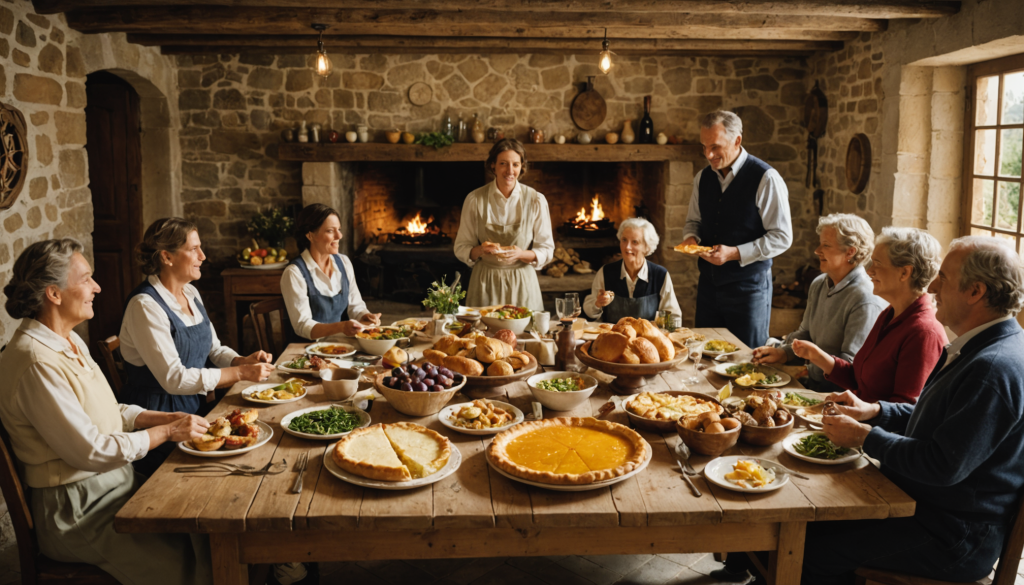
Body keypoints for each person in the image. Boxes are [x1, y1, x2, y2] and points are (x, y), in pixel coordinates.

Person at [802, 236, 1024, 584]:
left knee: (805, 552)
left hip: (953, 536)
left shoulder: (992, 367)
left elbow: (942, 464)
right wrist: (874, 412)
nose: (932, 285)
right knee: (800, 526)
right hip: (925, 509)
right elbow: (933, 421)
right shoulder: (978, 346)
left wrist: (867, 437)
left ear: (975, 292)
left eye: (944, 278)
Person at [0, 239, 212, 585]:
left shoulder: (68, 340)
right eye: (85, 279)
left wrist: (159, 418)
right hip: (78, 512)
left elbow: (104, 410)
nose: (97, 287)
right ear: (54, 294)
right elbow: (90, 450)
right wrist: (166, 433)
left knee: (205, 529)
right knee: (189, 564)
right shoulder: (35, 361)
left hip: (115, 486)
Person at [120, 219, 273, 472]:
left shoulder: (190, 292)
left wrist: (241, 360)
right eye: (194, 249)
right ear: (167, 257)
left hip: (197, 411)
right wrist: (241, 374)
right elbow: (174, 379)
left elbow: (213, 349)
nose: (203, 256)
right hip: (158, 421)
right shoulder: (145, 306)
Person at [791, 227, 948, 403]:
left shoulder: (924, 333)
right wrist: (817, 356)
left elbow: (905, 413)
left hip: (870, 429)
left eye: (877, 264)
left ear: (905, 273)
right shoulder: (889, 314)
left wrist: (859, 413)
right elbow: (858, 379)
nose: (869, 271)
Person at [679, 110, 792, 349]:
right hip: (708, 288)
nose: (708, 155)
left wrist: (733, 253)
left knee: (747, 359)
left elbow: (782, 237)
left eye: (715, 147)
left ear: (737, 140)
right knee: (704, 356)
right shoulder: (702, 178)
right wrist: (690, 239)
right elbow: (693, 222)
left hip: (749, 291)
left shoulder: (766, 178)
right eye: (704, 147)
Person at [752, 213, 886, 393]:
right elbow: (806, 333)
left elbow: (850, 367)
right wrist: (783, 353)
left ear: (850, 252)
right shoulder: (820, 283)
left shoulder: (865, 299)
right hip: (812, 385)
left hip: (838, 397)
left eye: (826, 245)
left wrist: (806, 370)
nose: (817, 250)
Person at [454, 138, 554, 311]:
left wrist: (521, 253)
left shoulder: (536, 200)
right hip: (484, 283)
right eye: (503, 163)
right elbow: (461, 247)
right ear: (493, 165)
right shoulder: (475, 199)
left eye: (515, 164)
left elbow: (546, 249)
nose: (510, 170)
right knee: (482, 336)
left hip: (522, 284)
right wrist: (481, 250)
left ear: (521, 166)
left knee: (525, 335)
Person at [281, 203, 381, 341]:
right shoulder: (294, 273)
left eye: (339, 229)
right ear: (310, 235)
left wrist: (364, 316)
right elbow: (302, 326)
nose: (339, 235)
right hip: (304, 352)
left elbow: (355, 305)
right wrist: (341, 327)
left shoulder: (344, 263)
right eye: (330, 231)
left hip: (340, 346)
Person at [583, 217, 682, 322]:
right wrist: (597, 304)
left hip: (647, 338)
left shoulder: (660, 275)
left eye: (635, 242)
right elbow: (590, 313)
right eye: (624, 240)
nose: (627, 247)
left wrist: (657, 329)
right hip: (614, 337)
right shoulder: (606, 272)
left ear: (647, 247)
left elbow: (673, 317)